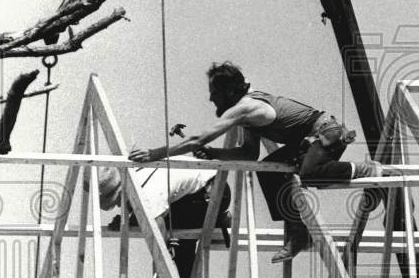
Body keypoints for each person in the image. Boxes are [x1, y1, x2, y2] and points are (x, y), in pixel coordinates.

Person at [129, 61, 389, 263]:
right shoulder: (247, 115)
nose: (210, 99)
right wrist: (216, 154)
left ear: (228, 91)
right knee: (268, 172)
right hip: (307, 141)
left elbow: (197, 138)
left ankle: (367, 169)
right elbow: (248, 155)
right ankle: (300, 234)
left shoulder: (246, 107)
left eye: (213, 93)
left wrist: (155, 154)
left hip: (326, 134)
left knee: (308, 174)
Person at [98, 155, 231, 278]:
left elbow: (159, 245)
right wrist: (128, 221)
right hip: (201, 189)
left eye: (116, 200)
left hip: (214, 194)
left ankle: (215, 221)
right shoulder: (137, 175)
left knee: (175, 236)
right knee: (152, 218)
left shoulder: (148, 194)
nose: (117, 206)